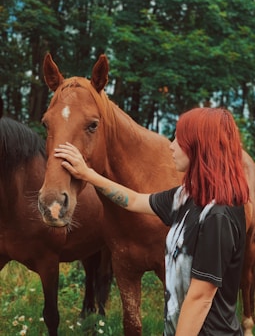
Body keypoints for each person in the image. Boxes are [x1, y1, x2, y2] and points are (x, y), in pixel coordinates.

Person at [54, 107, 249, 336]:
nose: (171, 145)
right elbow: (135, 200)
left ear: (200, 146)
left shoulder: (218, 215)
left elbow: (200, 298)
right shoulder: (187, 196)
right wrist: (88, 174)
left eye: (179, 139)